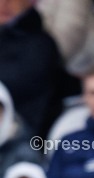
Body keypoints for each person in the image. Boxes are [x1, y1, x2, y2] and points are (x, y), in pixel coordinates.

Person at [0, 0, 74, 136]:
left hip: (24, 135)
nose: (5, 4)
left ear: (28, 3)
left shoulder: (40, 44)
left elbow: (17, 88)